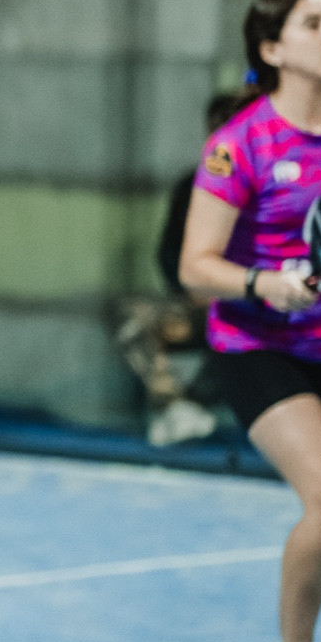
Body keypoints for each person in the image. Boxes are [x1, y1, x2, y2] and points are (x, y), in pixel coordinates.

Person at [179, 0, 321, 642]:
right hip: (259, 345)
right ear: (273, 51)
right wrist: (265, 283)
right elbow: (193, 266)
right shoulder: (240, 144)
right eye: (314, 23)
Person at [121, 91, 243, 447]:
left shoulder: (277, 186)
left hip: (260, 307)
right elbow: (170, 254)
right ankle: (178, 407)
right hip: (203, 304)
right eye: (216, 130)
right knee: (134, 323)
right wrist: (193, 288)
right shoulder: (193, 186)